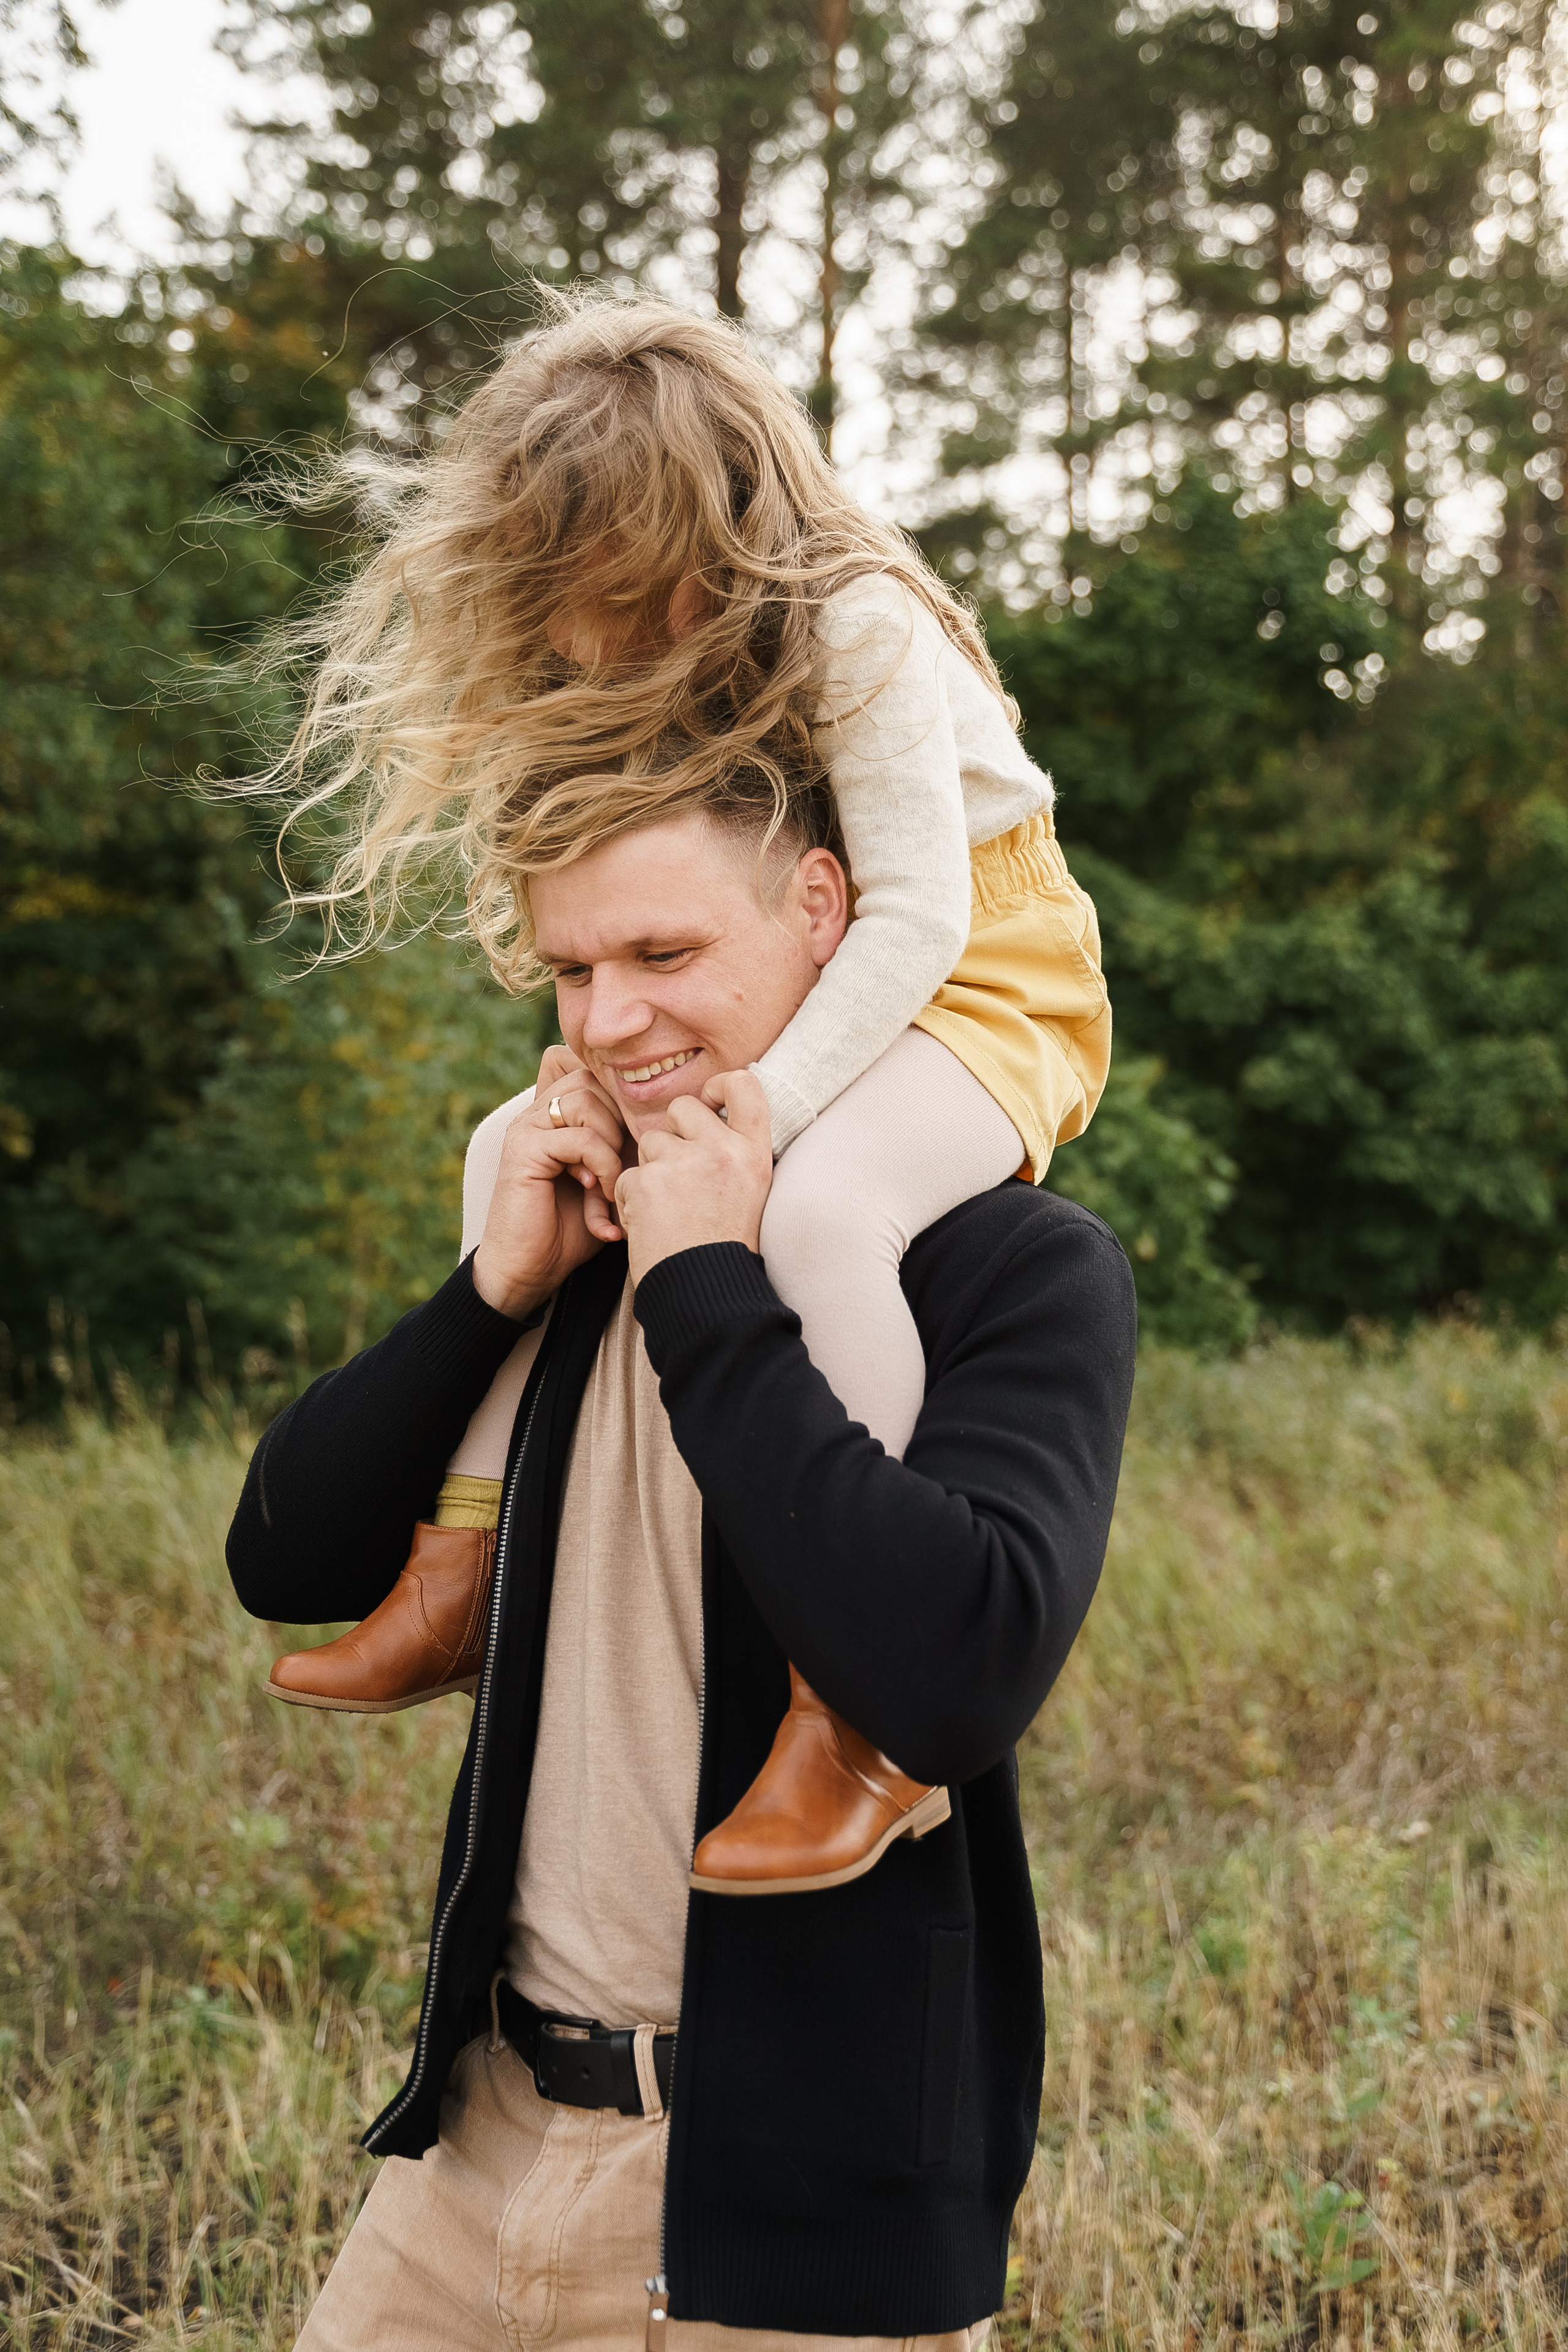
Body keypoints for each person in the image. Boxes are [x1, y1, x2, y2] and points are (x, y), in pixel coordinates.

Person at [227, 784, 1137, 2349]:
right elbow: (285, 1558)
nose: (610, 1020)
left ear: (823, 914)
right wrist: (488, 1291)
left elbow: (954, 1669)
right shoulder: (572, 1240)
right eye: (572, 972)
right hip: (476, 2154)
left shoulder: (1010, 1267)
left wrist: (712, 1281)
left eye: (662, 950)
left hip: (791, 2226)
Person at [260, 290, 1112, 1894]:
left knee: (825, 1213)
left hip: (994, 972)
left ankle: (847, 1706)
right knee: (512, 1139)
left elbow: (921, 916)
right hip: (854, 961)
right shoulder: (647, 641)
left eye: (624, 589)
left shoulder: (852, 619)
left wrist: (761, 1116)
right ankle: (462, 1556)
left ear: (712, 532)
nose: (599, 631)